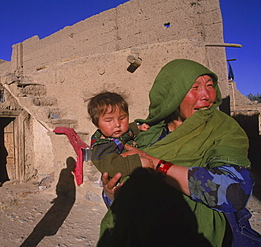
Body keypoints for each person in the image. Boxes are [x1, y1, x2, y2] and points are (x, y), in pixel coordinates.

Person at [98, 59, 255, 246]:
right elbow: (122, 189)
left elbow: (234, 193)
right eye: (195, 87)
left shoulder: (223, 129)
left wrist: (157, 165)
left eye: (210, 86)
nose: (206, 95)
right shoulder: (147, 133)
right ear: (172, 94)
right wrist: (112, 194)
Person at [87, 92, 149, 183]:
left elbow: (129, 129)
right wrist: (137, 163)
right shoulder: (102, 147)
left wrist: (138, 127)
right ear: (97, 124)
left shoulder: (120, 131)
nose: (117, 124)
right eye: (109, 120)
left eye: (122, 118)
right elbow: (110, 166)